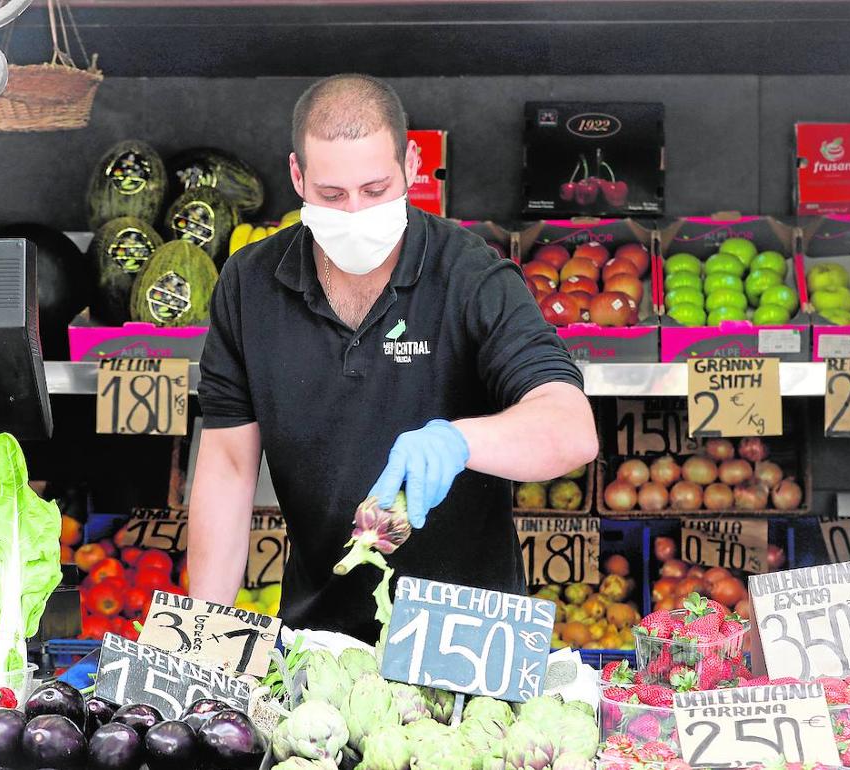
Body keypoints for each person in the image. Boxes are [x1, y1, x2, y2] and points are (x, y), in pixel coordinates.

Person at [187, 73, 597, 642]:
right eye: (332, 196)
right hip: (320, 639)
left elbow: (571, 428)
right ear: (297, 176)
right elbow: (229, 465)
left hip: (469, 638)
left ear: (410, 164)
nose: (354, 212)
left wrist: (458, 442)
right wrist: (200, 636)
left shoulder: (471, 274)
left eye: (375, 190)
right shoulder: (248, 284)